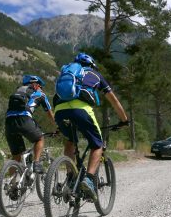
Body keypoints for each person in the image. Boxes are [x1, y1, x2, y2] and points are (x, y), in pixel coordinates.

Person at [54, 52, 129, 202]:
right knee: (97, 144)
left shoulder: (67, 74)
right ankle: (88, 179)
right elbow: (114, 101)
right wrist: (124, 120)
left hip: (59, 111)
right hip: (81, 109)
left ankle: (70, 177)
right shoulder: (95, 74)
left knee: (70, 141)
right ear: (91, 65)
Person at [5, 75, 56, 173]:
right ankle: (36, 163)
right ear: (36, 85)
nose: (41, 89)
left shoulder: (18, 92)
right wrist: (58, 127)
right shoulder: (40, 94)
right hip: (24, 119)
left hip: (9, 122)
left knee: (16, 157)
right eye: (41, 87)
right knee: (40, 138)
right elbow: (50, 115)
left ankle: (11, 180)